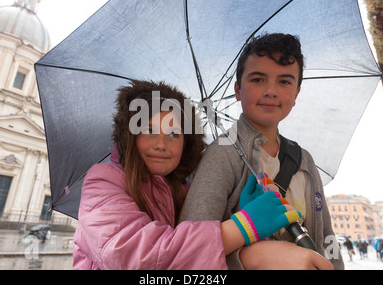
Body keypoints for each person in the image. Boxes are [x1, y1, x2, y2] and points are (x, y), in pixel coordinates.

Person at [72, 80, 304, 269]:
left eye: (174, 134)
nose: (161, 144)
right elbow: (132, 256)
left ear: (187, 142)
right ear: (130, 136)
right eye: (149, 130)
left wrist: (238, 214)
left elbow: (198, 259)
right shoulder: (103, 181)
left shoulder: (185, 189)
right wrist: (242, 226)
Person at [179, 33, 342, 269]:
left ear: (296, 93)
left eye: (284, 82)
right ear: (238, 89)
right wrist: (252, 256)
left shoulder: (304, 159)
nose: (270, 91)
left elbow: (326, 235)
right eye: (257, 79)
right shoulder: (222, 154)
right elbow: (190, 250)